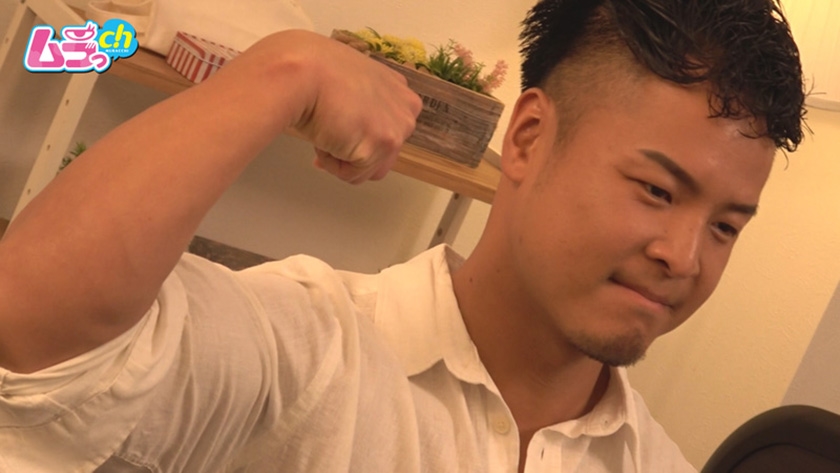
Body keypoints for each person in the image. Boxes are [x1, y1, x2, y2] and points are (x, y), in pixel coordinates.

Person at [0, 0, 805, 471]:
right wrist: (282, 72)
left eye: (727, 226)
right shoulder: (314, 348)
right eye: (657, 190)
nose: (684, 257)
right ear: (528, 138)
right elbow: (30, 329)